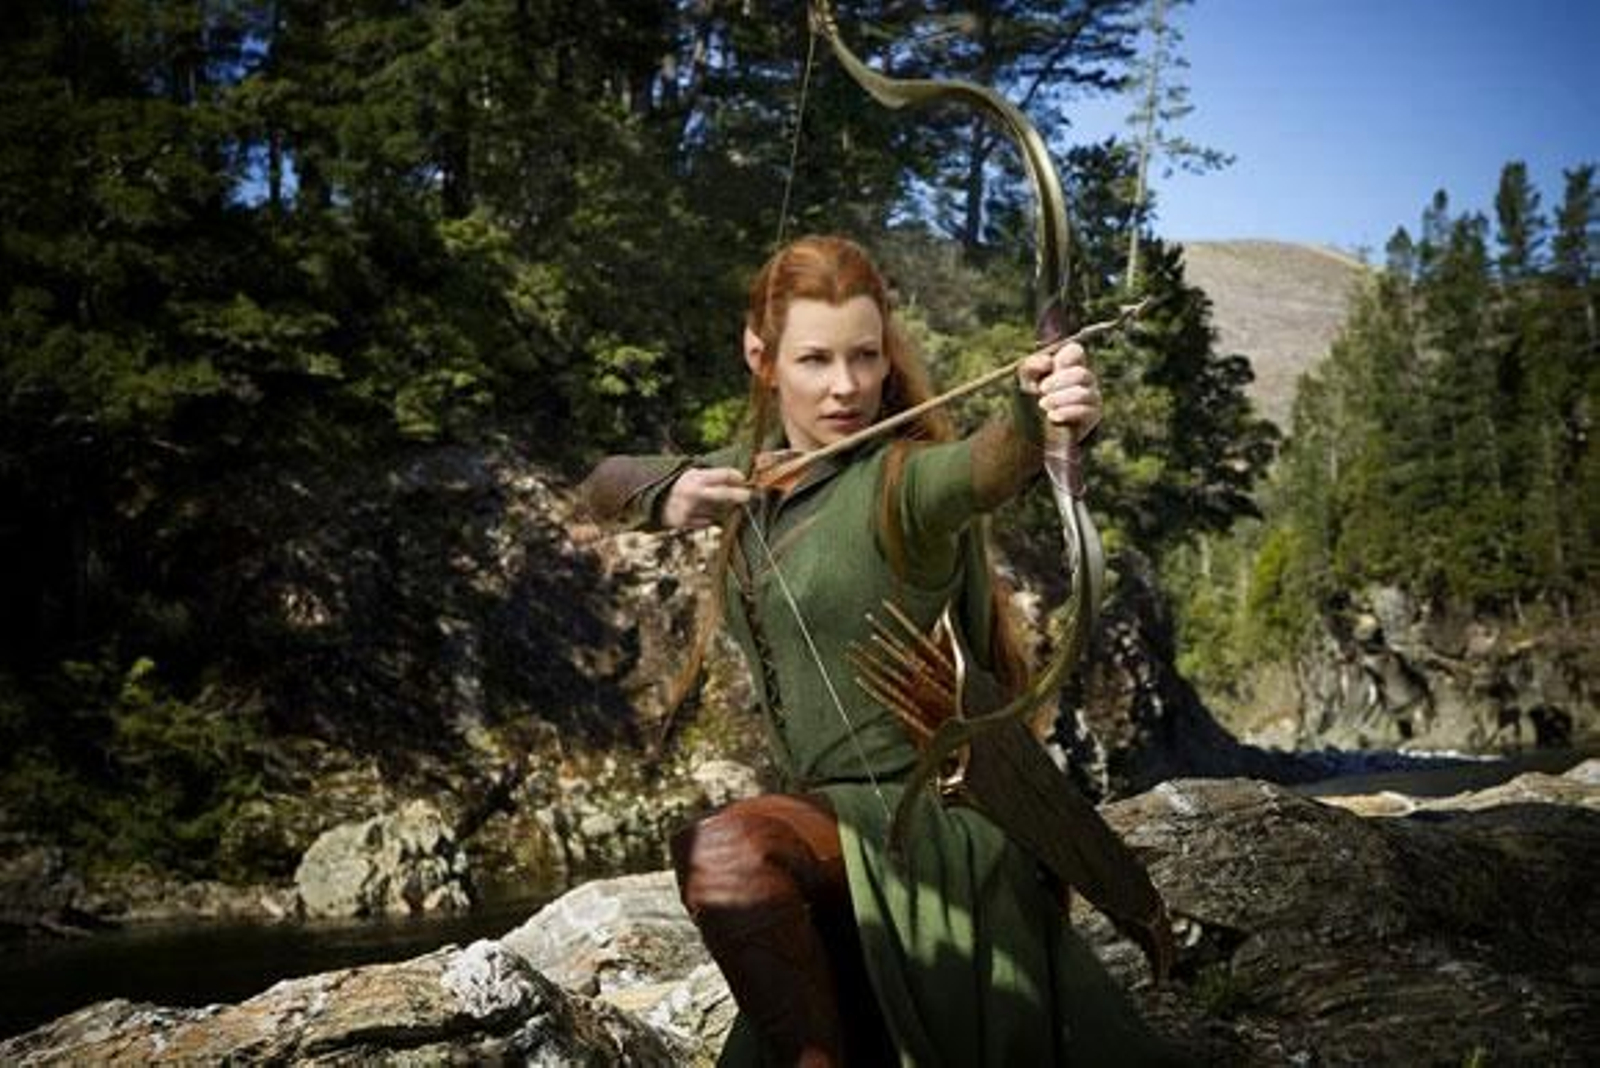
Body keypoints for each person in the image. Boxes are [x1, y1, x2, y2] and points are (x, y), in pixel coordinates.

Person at [580, 235, 1183, 1066]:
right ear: (761, 357)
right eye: (816, 359)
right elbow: (600, 488)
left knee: (724, 853)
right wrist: (668, 488)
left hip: (932, 826)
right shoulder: (752, 474)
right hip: (835, 829)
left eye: (865, 356)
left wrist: (1038, 409)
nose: (846, 385)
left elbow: (985, 467)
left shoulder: (905, 482)